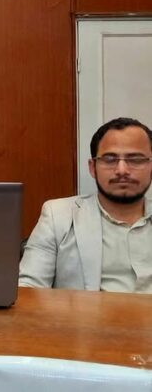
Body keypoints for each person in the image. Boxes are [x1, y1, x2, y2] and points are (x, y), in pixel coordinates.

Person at [19, 117, 152, 292]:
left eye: (135, 159)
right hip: (84, 311)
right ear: (92, 167)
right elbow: (28, 290)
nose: (122, 170)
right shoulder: (57, 216)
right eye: (109, 159)